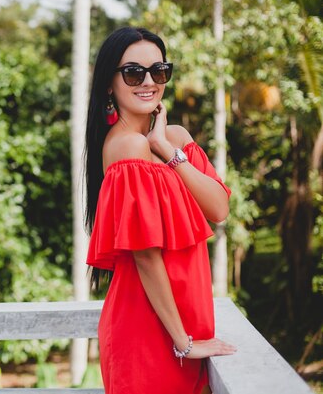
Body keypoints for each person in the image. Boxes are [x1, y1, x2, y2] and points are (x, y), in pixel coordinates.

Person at [84, 27, 237, 394]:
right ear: (110, 84)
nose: (148, 82)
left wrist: (166, 148)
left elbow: (218, 208)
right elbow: (146, 256)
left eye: (159, 71)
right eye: (134, 73)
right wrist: (183, 341)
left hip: (183, 329)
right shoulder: (125, 147)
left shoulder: (173, 139)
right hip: (151, 334)